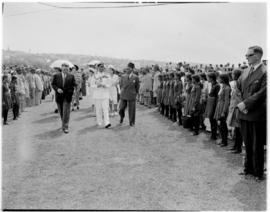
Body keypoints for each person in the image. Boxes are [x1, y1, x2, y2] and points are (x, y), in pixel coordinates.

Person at [237, 46, 266, 181]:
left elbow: (262, 93)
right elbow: (237, 90)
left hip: (256, 114)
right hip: (244, 112)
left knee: (257, 144)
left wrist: (246, 104)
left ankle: (258, 172)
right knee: (247, 143)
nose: (246, 57)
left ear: (258, 56)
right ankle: (247, 168)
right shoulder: (245, 71)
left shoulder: (265, 72)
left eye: (249, 55)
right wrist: (241, 104)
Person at [51, 63, 76, 133]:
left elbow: (74, 85)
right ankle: (63, 123)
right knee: (62, 112)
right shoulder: (56, 75)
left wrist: (71, 91)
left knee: (66, 112)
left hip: (67, 97)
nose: (65, 70)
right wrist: (57, 89)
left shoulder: (71, 76)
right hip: (59, 97)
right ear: (61, 68)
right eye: (64, 69)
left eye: (67, 69)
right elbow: (53, 84)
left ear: (68, 69)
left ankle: (65, 127)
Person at [91, 62, 111, 128]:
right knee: (98, 109)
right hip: (97, 95)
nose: (102, 68)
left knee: (106, 109)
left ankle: (107, 123)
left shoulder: (107, 75)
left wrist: (105, 85)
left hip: (105, 94)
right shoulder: (94, 75)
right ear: (97, 67)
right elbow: (91, 85)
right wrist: (97, 86)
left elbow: (109, 84)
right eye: (100, 66)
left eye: (103, 66)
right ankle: (99, 121)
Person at [119, 62, 140, 126]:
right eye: (127, 68)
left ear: (132, 69)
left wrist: (135, 93)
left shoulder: (136, 77)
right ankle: (122, 117)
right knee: (121, 108)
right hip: (124, 94)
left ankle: (131, 122)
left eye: (129, 68)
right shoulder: (123, 76)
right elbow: (121, 85)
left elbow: (137, 87)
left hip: (132, 94)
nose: (127, 70)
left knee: (132, 109)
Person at [227, 69, 243, 153]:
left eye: (233, 74)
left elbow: (239, 98)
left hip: (237, 109)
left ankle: (238, 148)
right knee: (236, 129)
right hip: (234, 108)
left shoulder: (239, 84)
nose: (232, 75)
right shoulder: (235, 84)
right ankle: (235, 145)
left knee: (238, 129)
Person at [214, 73, 231, 147]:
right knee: (220, 125)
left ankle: (225, 141)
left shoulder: (227, 88)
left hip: (223, 107)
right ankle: (222, 140)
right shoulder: (223, 86)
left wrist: (224, 111)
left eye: (219, 78)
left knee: (223, 125)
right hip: (219, 106)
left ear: (223, 79)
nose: (218, 79)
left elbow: (227, 101)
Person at [204, 72, 220, 140]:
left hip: (214, 104)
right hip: (211, 103)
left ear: (211, 78)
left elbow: (217, 97)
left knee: (213, 119)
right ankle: (213, 134)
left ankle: (214, 135)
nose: (207, 78)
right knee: (211, 119)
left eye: (208, 77)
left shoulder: (217, 85)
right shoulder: (213, 84)